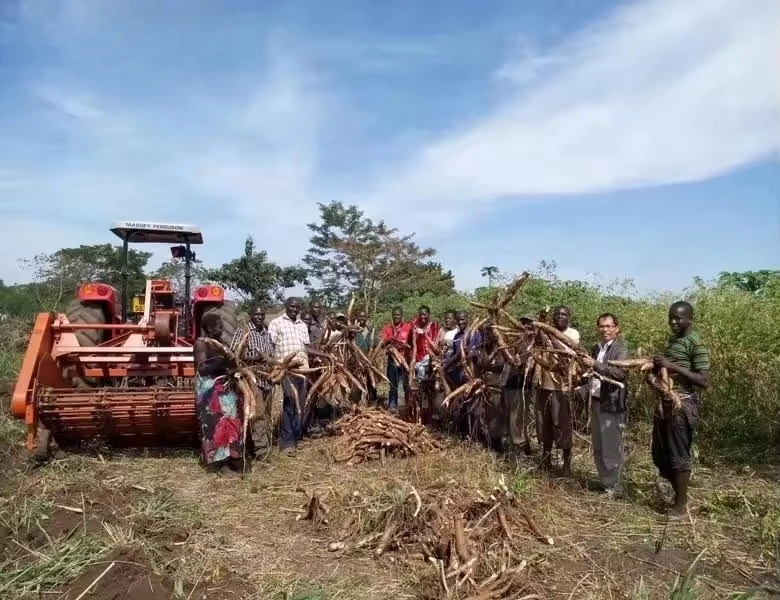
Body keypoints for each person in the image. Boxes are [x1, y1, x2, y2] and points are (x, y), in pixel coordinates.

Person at [651, 301, 710, 519]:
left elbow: (703, 380)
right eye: (671, 317)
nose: (674, 321)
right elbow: (670, 370)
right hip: (666, 401)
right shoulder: (673, 340)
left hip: (683, 404)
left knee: (678, 454)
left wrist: (672, 365)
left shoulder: (696, 344)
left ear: (690, 319)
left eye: (679, 318)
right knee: (660, 453)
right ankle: (676, 496)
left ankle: (681, 506)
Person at [580, 313, 629, 496]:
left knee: (611, 446)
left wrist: (595, 364)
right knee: (598, 446)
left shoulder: (620, 349)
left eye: (609, 326)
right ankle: (605, 482)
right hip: (596, 401)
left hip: (611, 403)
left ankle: (615, 487)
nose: (605, 330)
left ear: (617, 328)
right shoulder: (596, 347)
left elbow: (620, 373)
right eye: (602, 326)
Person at [193, 313, 244, 475]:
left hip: (224, 387)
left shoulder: (220, 343)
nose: (222, 329)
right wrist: (222, 361)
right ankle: (222, 465)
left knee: (231, 421)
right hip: (210, 391)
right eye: (219, 326)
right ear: (209, 328)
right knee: (216, 425)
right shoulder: (201, 344)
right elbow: (202, 368)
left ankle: (232, 458)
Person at [536, 305, 580, 475]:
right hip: (544, 386)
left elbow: (567, 353)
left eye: (563, 314)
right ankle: (546, 460)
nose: (560, 317)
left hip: (562, 388)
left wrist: (549, 335)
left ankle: (566, 465)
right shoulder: (545, 333)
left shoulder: (573, 334)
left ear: (569, 317)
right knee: (544, 425)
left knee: (562, 426)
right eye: (557, 314)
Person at [267, 297, 311, 454]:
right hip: (286, 370)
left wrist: (326, 357)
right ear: (286, 306)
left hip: (303, 369)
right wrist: (275, 367)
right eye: (292, 306)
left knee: (301, 404)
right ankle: (286, 443)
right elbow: (270, 346)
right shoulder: (276, 323)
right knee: (290, 402)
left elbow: (306, 348)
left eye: (297, 307)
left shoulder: (302, 325)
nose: (294, 309)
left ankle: (296, 437)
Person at [230, 306, 274, 460]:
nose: (260, 317)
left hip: (267, 380)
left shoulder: (266, 333)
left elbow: (271, 354)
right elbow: (234, 355)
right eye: (257, 314)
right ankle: (261, 452)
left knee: (265, 415)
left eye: (262, 314)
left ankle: (252, 447)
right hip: (251, 380)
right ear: (251, 316)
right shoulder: (243, 332)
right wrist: (256, 358)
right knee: (258, 415)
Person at [503, 314, 536, 456]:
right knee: (512, 415)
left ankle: (522, 443)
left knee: (521, 416)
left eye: (529, 323)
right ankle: (517, 443)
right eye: (524, 323)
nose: (526, 326)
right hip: (512, 382)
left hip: (524, 384)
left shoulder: (536, 342)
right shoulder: (515, 340)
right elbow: (510, 360)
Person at [408, 305, 441, 423]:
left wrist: (425, 334)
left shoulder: (434, 326)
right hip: (418, 361)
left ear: (429, 314)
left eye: (424, 314)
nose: (422, 316)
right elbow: (411, 344)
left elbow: (437, 344)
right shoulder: (414, 326)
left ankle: (431, 417)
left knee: (431, 390)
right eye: (420, 314)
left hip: (431, 363)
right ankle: (419, 416)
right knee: (418, 390)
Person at [380, 307, 412, 414]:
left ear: (401, 316)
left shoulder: (408, 327)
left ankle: (409, 406)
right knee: (393, 385)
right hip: (392, 361)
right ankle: (393, 407)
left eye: (398, 315)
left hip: (405, 361)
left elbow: (412, 342)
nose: (396, 317)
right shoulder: (387, 329)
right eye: (394, 315)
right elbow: (382, 344)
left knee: (406, 385)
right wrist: (389, 341)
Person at [354, 310, 378, 404]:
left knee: (371, 383)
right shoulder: (354, 331)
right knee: (357, 383)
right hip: (357, 361)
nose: (362, 318)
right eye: (360, 316)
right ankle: (356, 403)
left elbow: (375, 345)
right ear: (358, 318)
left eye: (364, 317)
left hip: (369, 360)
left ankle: (371, 401)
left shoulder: (370, 330)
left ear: (366, 318)